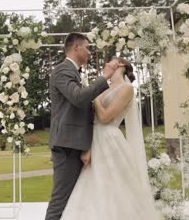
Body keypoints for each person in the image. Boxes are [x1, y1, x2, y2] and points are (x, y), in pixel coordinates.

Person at [60, 56, 161, 220]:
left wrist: (96, 100)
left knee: (115, 184)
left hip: (110, 139)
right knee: (93, 184)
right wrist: (86, 147)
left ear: (120, 64)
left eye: (110, 61)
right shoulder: (104, 87)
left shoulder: (127, 88)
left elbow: (105, 117)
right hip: (94, 139)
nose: (106, 64)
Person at [45, 33, 119, 220]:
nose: (89, 52)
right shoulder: (63, 70)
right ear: (76, 47)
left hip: (75, 144)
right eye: (87, 47)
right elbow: (78, 98)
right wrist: (105, 77)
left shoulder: (74, 72)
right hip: (67, 145)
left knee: (72, 201)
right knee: (60, 201)